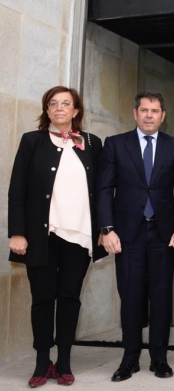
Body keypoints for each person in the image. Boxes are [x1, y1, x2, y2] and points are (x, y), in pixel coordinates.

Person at [8, 86, 105, 387]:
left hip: (79, 236)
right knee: (42, 299)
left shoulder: (92, 143)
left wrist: (104, 229)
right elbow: (17, 190)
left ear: (76, 111)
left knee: (69, 298)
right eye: (53, 104)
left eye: (66, 103)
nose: (59, 108)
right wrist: (17, 233)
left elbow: (102, 191)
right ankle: (41, 363)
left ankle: (63, 361)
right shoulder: (32, 141)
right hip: (41, 237)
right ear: (47, 110)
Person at [96, 90, 174, 382]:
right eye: (144, 110)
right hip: (128, 235)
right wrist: (107, 229)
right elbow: (103, 190)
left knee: (162, 298)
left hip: (164, 235)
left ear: (163, 116)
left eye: (155, 110)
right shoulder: (115, 145)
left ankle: (159, 359)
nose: (149, 115)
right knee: (131, 298)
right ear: (135, 113)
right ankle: (130, 359)